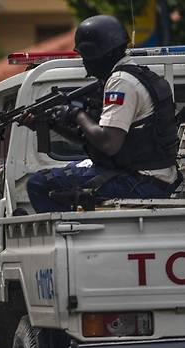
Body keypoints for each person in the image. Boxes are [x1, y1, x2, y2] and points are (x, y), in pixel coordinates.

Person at [25, 15, 181, 213]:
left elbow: (109, 143)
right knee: (63, 173)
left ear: (98, 54)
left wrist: (77, 114)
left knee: (39, 184)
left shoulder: (121, 81)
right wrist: (52, 124)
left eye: (85, 57)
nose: (84, 64)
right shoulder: (135, 75)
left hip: (141, 181)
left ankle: (70, 238)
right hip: (149, 177)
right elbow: (92, 140)